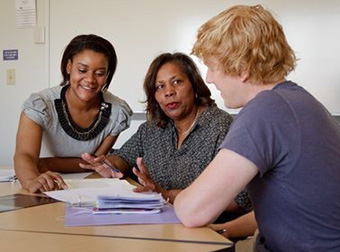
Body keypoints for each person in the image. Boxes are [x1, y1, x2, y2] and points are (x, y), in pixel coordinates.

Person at [174, 4, 340, 252]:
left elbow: (192, 211)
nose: (209, 78)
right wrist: (224, 230)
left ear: (241, 69)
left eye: (212, 65)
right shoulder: (301, 102)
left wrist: (173, 198)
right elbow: (291, 209)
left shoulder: (266, 110)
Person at [80, 52, 252, 215]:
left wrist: (165, 194)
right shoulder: (154, 127)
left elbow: (241, 199)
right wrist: (110, 166)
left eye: (177, 82)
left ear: (194, 85)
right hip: (157, 223)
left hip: (208, 229)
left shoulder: (222, 127)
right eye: (160, 86)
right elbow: (124, 157)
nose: (168, 92)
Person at [14, 34, 132, 193]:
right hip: (46, 183)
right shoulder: (40, 105)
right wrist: (31, 180)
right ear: (69, 66)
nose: (90, 80)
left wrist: (47, 164)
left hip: (90, 187)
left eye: (99, 73)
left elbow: (92, 164)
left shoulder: (117, 112)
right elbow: (25, 155)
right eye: (82, 70)